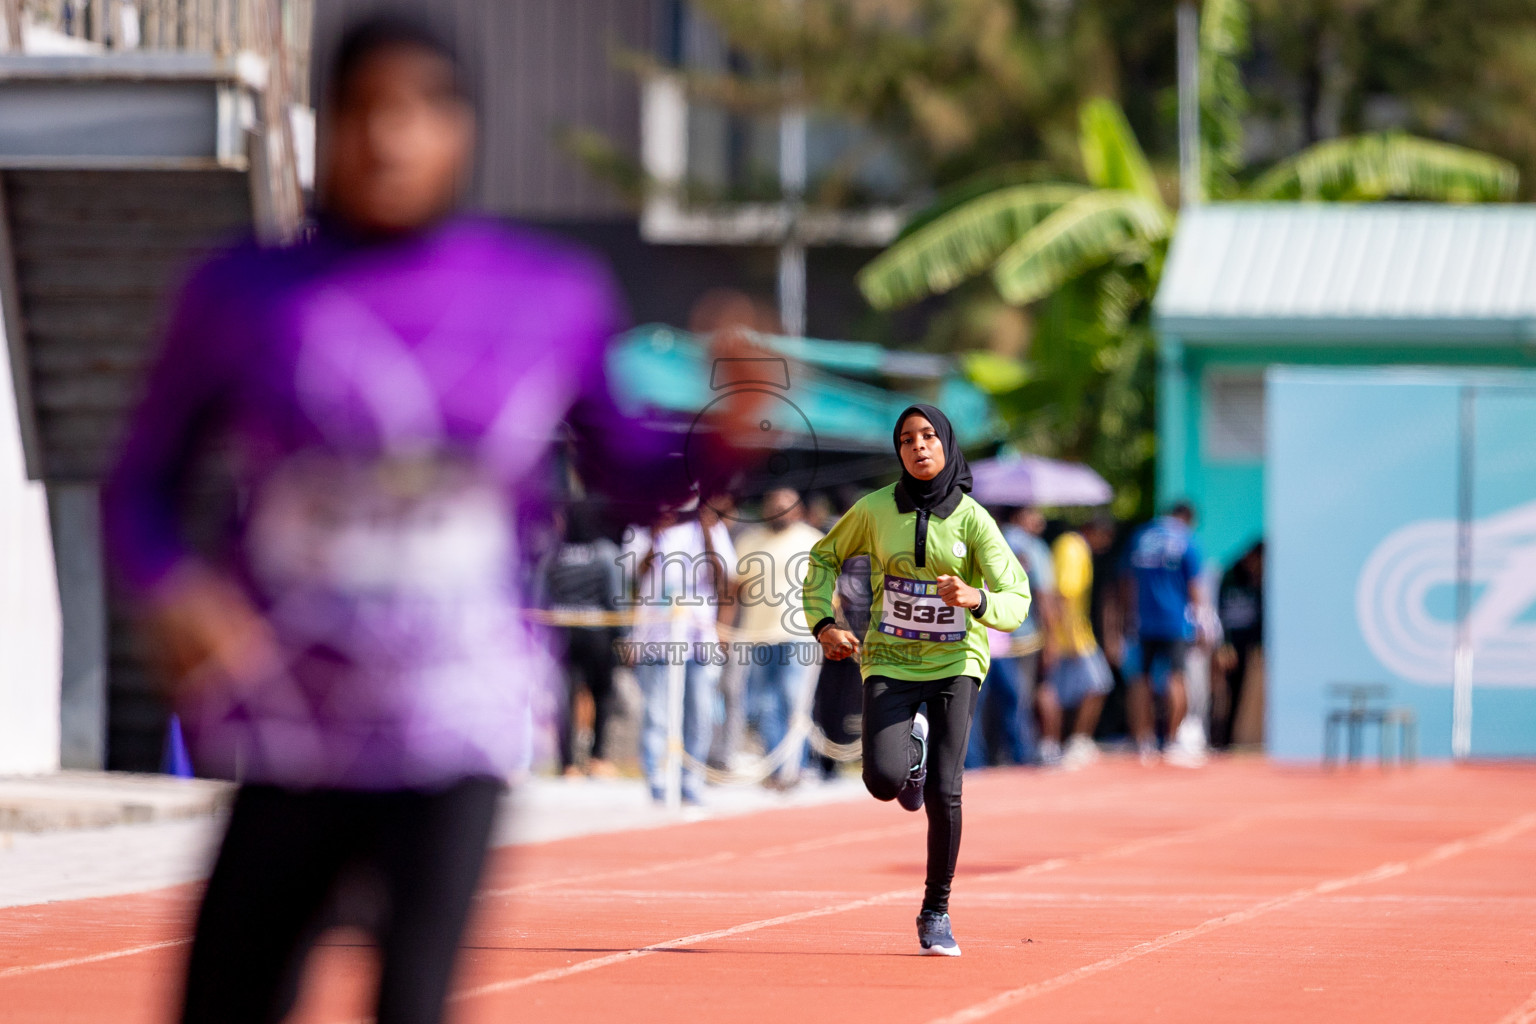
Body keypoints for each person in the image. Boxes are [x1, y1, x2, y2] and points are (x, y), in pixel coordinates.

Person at [101, 16, 757, 1024]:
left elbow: (631, 479)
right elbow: (139, 481)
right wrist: (167, 587)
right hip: (293, 713)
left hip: (453, 715)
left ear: (465, 130)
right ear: (326, 127)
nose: (388, 139)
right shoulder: (242, 291)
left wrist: (722, 436)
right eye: (363, 110)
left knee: (414, 1000)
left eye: (418, 111)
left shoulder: (549, 294)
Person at [804, 404, 1030, 957]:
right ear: (898, 451)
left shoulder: (975, 519)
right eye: (907, 440)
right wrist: (823, 623)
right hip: (889, 659)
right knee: (882, 780)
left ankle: (936, 911)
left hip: (957, 663)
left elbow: (1016, 598)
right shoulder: (876, 509)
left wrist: (976, 599)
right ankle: (910, 752)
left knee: (945, 791)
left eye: (929, 436)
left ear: (947, 444)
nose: (919, 447)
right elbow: (823, 556)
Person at [624, 500, 738, 804]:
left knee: (699, 712)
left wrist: (707, 532)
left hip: (699, 637)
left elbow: (725, 578)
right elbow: (634, 573)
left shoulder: (710, 526)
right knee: (657, 712)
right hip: (656, 636)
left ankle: (691, 780)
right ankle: (658, 780)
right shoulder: (645, 523)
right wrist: (655, 534)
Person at [731, 487, 825, 787]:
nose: (779, 511)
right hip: (757, 636)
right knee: (762, 705)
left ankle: (793, 768)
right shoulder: (749, 541)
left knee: (793, 700)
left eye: (786, 506)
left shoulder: (811, 540)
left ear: (797, 511)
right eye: (774, 505)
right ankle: (776, 765)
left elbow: (827, 588)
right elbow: (735, 590)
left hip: (798, 634)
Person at [541, 501, 624, 778]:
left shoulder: (553, 554)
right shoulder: (605, 553)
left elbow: (540, 595)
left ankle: (567, 764)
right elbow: (615, 599)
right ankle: (598, 757)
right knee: (601, 695)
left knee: (564, 698)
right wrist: (623, 637)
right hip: (598, 634)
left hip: (562, 634)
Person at [1124, 501, 1204, 767]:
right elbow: (1195, 587)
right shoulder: (1185, 540)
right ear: (1186, 518)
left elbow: (1127, 581)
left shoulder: (1141, 536)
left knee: (1140, 680)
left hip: (1143, 621)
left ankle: (1143, 741)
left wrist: (1127, 617)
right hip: (1175, 623)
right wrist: (1203, 624)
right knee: (1176, 679)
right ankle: (1172, 741)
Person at [1043, 522, 1114, 769]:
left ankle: (1059, 744)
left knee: (1063, 691)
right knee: (1098, 684)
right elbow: (1064, 594)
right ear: (1097, 531)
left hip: (1071, 634)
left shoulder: (1068, 544)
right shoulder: (1074, 548)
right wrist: (1069, 636)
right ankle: (1072, 742)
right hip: (1073, 636)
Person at [1213, 540, 1264, 749]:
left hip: (1249, 645)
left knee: (1241, 694)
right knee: (1222, 693)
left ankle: (1231, 740)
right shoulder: (1229, 575)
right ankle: (1218, 740)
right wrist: (1223, 644)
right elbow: (1218, 611)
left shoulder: (1261, 580)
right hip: (1230, 644)